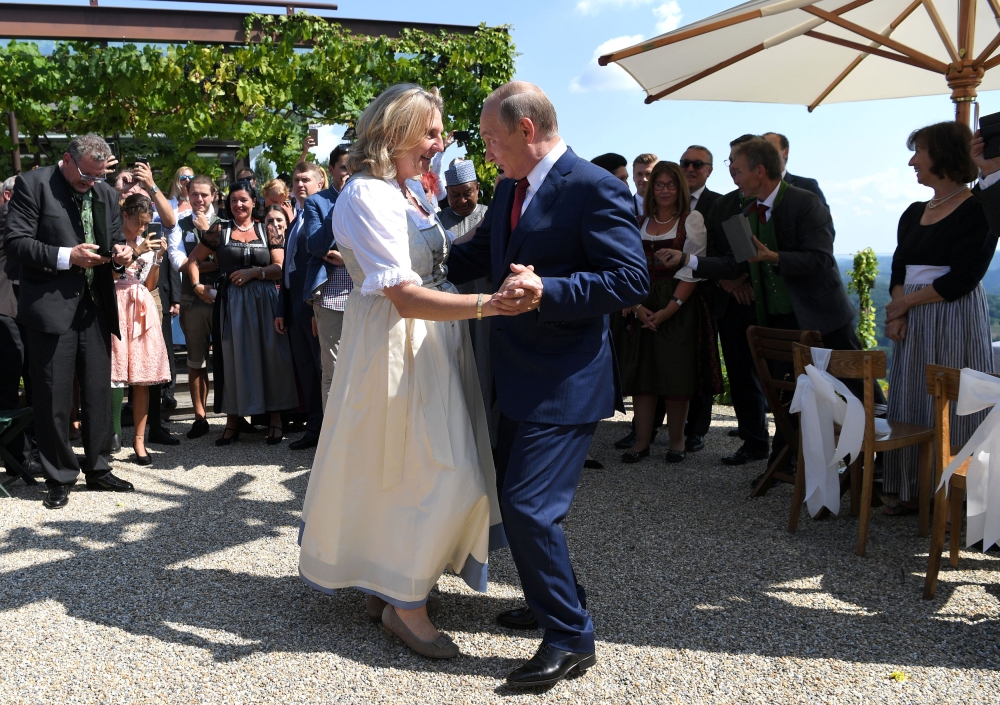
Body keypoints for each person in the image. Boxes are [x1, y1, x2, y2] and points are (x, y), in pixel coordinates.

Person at [298, 83, 509, 661]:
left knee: (408, 467)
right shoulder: (368, 195)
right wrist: (491, 304)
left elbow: (436, 265)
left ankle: (390, 584)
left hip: (432, 345)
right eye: (431, 133)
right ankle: (404, 607)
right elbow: (406, 298)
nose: (440, 144)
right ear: (395, 134)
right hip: (398, 344)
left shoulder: (406, 190)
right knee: (433, 470)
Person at [448, 81, 648, 687]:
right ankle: (553, 597)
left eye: (491, 140)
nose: (488, 154)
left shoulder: (595, 188)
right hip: (515, 377)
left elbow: (630, 280)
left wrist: (550, 291)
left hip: (565, 381)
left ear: (526, 130)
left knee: (530, 509)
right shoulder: (511, 187)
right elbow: (473, 256)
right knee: (514, 500)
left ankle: (569, 636)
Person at [663, 137, 869, 486]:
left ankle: (872, 467)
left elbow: (820, 260)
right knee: (788, 395)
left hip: (826, 319)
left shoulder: (806, 204)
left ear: (760, 171)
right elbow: (733, 264)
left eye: (737, 167)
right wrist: (688, 259)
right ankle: (784, 465)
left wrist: (773, 258)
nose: (731, 173)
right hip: (777, 322)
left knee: (858, 396)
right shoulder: (742, 213)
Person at [3, 133, 136, 509]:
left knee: (96, 392)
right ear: (67, 159)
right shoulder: (34, 185)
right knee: (51, 397)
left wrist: (121, 252)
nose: (90, 183)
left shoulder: (106, 194)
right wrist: (67, 256)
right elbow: (16, 243)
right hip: (49, 307)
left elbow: (112, 239)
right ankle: (59, 476)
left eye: (98, 176)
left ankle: (97, 467)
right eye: (86, 175)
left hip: (95, 306)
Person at [881, 122, 997, 515]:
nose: (913, 161)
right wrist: (898, 310)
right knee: (911, 398)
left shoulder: (977, 209)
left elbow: (964, 277)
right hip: (913, 318)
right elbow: (899, 267)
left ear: (944, 155)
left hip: (952, 316)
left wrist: (906, 305)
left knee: (952, 401)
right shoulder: (914, 212)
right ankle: (914, 489)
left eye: (920, 152)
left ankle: (955, 493)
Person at [616, 161, 711, 464]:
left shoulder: (691, 220)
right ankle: (641, 442)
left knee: (675, 375)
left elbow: (692, 272)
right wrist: (637, 307)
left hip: (678, 304)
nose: (665, 190)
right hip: (641, 303)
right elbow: (627, 269)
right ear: (651, 189)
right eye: (660, 184)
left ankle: (677, 441)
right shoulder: (639, 222)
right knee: (643, 374)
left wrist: (670, 309)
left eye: (671, 184)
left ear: (679, 188)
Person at [187, 182, 296, 445]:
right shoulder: (219, 229)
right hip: (232, 304)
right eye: (234, 200)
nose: (238, 205)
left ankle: (275, 419)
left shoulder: (267, 228)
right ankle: (232, 421)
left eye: (244, 200)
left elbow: (279, 267)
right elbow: (193, 260)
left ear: (254, 201)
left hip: (265, 301)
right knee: (232, 358)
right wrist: (198, 286)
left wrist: (254, 272)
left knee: (272, 356)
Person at [110, 194, 172, 465]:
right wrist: (136, 250)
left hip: (141, 306)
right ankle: (110, 434)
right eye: (138, 223)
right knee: (113, 373)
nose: (142, 229)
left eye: (147, 224)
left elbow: (149, 284)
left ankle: (139, 441)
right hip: (116, 303)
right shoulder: (113, 238)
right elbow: (110, 274)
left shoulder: (148, 242)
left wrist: (157, 258)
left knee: (143, 377)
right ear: (125, 215)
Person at [438, 160, 495, 437]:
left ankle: (488, 435)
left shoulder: (490, 216)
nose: (461, 200)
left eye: (467, 193)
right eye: (454, 194)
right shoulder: (436, 222)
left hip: (487, 307)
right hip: (449, 309)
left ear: (478, 188)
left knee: (485, 367)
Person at [276, 162, 326, 450]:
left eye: (306, 179)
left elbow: (324, 266)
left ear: (320, 183)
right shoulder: (295, 220)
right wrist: (282, 310)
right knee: (307, 371)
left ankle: (328, 434)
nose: (300, 184)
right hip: (295, 309)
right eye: (296, 180)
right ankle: (314, 430)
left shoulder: (323, 216)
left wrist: (318, 306)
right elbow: (288, 269)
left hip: (315, 307)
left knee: (323, 372)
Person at [167, 174, 217, 439]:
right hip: (191, 301)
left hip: (222, 299)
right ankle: (200, 417)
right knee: (196, 361)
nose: (199, 199)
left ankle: (231, 415)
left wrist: (206, 231)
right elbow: (179, 263)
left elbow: (228, 262)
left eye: (204, 195)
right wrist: (202, 264)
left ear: (213, 195)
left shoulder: (224, 222)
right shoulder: (178, 223)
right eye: (194, 194)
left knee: (226, 359)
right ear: (187, 193)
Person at [680, 145, 722, 453]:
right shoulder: (667, 200)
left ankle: (696, 429)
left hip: (710, 294)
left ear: (709, 170)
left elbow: (735, 251)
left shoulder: (722, 204)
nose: (690, 168)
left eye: (697, 164)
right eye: (685, 163)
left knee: (702, 362)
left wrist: (731, 281)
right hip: (670, 293)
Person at [303, 145, 351, 407]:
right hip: (331, 296)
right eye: (344, 166)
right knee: (334, 370)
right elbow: (317, 246)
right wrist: (341, 202)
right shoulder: (317, 202)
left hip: (366, 293)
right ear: (331, 170)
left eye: (354, 166)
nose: (349, 172)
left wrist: (348, 260)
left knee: (366, 368)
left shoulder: (368, 198)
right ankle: (333, 442)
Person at [762, 132, 828, 208]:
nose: (764, 154)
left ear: (785, 152)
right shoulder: (750, 190)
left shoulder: (806, 186)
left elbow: (823, 217)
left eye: (769, 148)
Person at [631, 153, 658, 218]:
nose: (644, 179)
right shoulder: (624, 207)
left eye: (648, 174)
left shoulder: (669, 207)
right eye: (639, 174)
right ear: (633, 177)